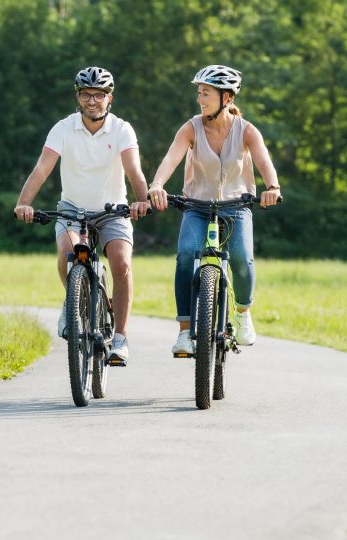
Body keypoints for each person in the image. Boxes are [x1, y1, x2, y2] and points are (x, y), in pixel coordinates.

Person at [14, 66, 151, 365]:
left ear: (109, 98)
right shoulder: (63, 128)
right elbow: (42, 168)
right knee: (68, 252)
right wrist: (24, 203)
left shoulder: (122, 129)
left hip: (112, 210)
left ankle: (120, 338)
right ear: (77, 97)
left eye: (99, 95)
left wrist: (142, 200)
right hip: (72, 209)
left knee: (121, 263)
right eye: (86, 95)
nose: (92, 101)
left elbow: (134, 170)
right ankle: (72, 301)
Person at [148, 65, 281, 353]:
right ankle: (185, 331)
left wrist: (273, 188)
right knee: (186, 255)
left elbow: (264, 162)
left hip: (236, 206)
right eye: (199, 92)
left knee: (242, 258)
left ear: (227, 97)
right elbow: (171, 159)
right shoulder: (191, 128)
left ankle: (243, 313)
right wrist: (157, 185)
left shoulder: (247, 131)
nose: (200, 99)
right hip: (197, 205)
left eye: (206, 93)